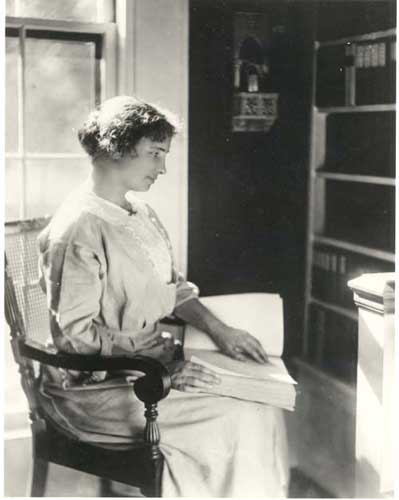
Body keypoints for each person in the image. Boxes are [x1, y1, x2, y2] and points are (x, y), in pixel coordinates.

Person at [37, 95, 289, 497]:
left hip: (151, 364)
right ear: (118, 147)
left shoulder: (140, 213)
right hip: (95, 388)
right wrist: (163, 374)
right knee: (236, 416)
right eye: (155, 154)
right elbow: (75, 340)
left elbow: (174, 291)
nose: (163, 168)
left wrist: (222, 331)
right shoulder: (78, 228)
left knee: (262, 405)